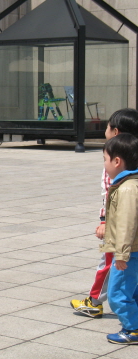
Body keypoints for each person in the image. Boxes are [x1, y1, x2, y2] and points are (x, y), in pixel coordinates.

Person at [71, 108, 138, 318]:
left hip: (119, 228)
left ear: (115, 132)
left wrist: (104, 221)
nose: (105, 130)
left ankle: (94, 301)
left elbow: (111, 198)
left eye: (108, 126)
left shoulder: (116, 166)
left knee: (109, 263)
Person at [100, 133, 138, 344]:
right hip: (132, 250)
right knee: (132, 290)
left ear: (117, 161)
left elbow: (126, 224)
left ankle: (133, 329)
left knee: (118, 294)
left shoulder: (127, 189)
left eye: (105, 160)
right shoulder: (130, 184)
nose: (105, 165)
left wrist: (121, 254)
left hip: (129, 252)